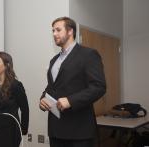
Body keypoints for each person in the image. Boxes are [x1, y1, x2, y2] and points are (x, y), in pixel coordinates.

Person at [39, 17, 106, 147]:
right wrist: (43, 99)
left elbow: (99, 87)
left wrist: (71, 101)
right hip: (55, 130)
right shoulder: (54, 60)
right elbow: (52, 86)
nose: (54, 34)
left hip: (79, 131)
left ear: (70, 31)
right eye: (53, 30)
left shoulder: (88, 54)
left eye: (58, 30)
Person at [0, 51, 29, 146]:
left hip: (12, 130)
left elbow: (25, 109)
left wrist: (23, 131)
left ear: (7, 65)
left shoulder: (16, 85)